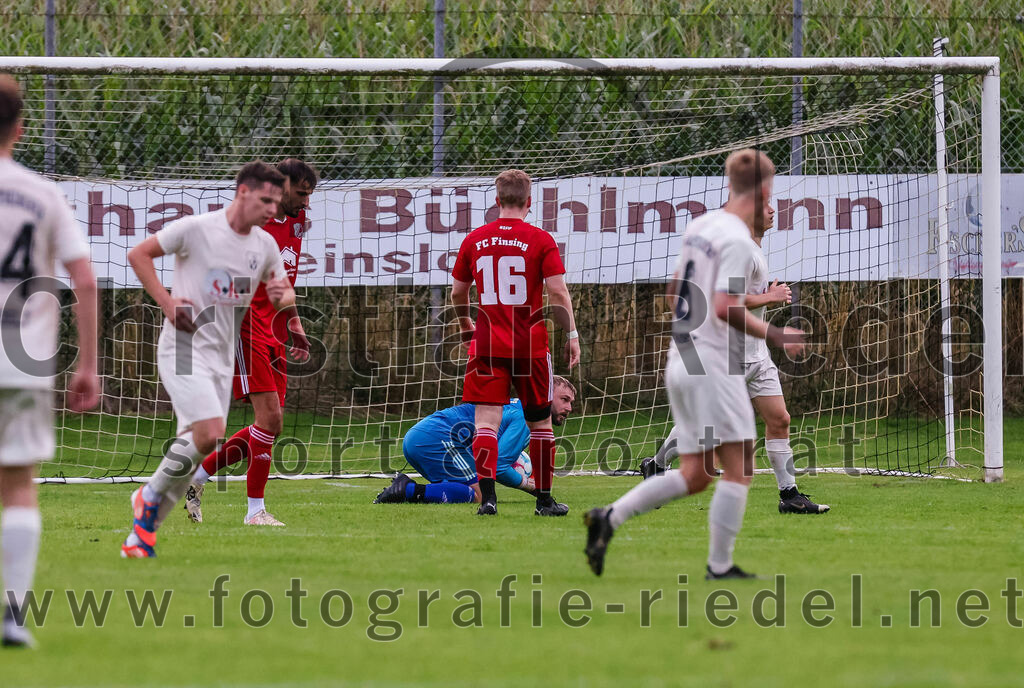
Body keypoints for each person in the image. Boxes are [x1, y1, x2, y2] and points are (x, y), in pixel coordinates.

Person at [584, 149, 806, 579]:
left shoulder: (701, 226)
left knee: (696, 474)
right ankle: (719, 566)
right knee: (739, 466)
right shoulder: (740, 241)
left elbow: (674, 291)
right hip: (713, 363)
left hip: (683, 357)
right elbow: (726, 307)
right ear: (762, 190)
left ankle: (607, 518)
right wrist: (777, 334)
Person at [120, 161, 295, 558]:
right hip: (183, 345)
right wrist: (166, 303)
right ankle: (146, 498)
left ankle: (140, 534)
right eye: (267, 200)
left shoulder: (265, 244)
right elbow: (139, 254)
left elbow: (280, 287)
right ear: (243, 193)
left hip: (220, 354)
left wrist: (285, 302)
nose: (273, 209)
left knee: (197, 444)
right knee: (210, 431)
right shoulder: (196, 229)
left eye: (277, 202)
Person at [640, 199, 829, 514]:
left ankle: (790, 496)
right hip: (729, 355)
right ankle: (657, 465)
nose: (771, 210)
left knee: (780, 419)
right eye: (764, 206)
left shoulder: (753, 248)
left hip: (756, 355)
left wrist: (764, 296)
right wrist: (770, 296)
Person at [0, 74, 100, 646]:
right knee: (17, 484)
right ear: (19, 127)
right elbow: (83, 278)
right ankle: (11, 617)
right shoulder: (42, 194)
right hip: (21, 363)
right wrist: (86, 364)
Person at [184, 158, 318, 526]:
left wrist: (294, 324)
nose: (306, 202)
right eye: (301, 194)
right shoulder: (249, 224)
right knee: (269, 418)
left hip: (275, 328)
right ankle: (254, 511)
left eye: (309, 196)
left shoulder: (295, 223)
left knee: (270, 425)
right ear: (281, 186)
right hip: (246, 328)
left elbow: (281, 283)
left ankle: (198, 476)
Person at [451, 168, 581, 516]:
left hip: (487, 345)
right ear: (529, 202)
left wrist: (467, 328)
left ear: (496, 201)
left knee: (485, 424)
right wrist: (572, 334)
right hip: (530, 346)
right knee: (539, 424)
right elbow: (557, 291)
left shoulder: (474, 239)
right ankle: (544, 501)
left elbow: (458, 292)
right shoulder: (541, 239)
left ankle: (488, 500)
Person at [374, 376, 576, 504]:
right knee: (479, 494)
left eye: (571, 402)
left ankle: (407, 489)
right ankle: (406, 489)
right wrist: (529, 485)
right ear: (547, 395)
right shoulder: (525, 416)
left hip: (422, 435)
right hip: (439, 438)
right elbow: (497, 466)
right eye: (564, 400)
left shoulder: (514, 406)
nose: (569, 408)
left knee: (460, 491)